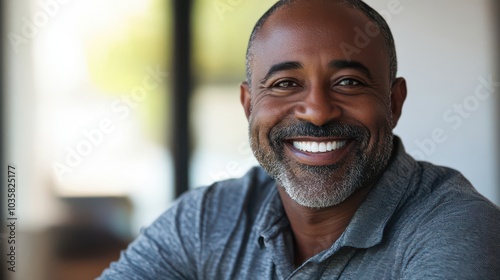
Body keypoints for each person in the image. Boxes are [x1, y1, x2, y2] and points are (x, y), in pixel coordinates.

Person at [100, 0, 500, 279]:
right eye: (285, 83)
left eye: (348, 82)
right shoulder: (205, 220)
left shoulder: (457, 229)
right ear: (248, 104)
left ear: (394, 103)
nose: (318, 111)